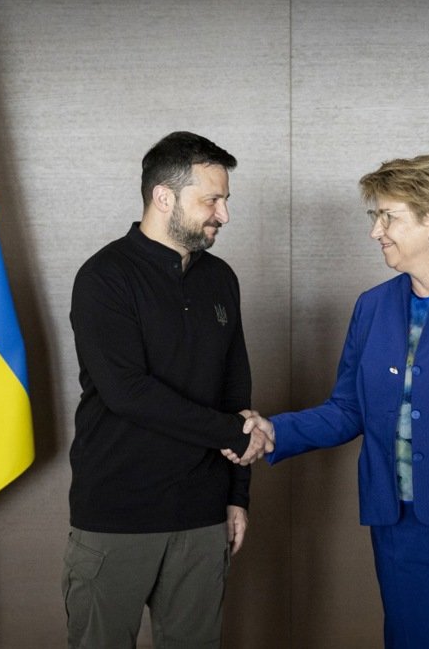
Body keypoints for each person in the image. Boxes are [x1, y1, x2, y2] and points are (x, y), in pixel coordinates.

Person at [231, 154, 429, 648]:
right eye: (374, 217)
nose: (376, 231)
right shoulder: (373, 306)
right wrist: (277, 431)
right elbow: (348, 409)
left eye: (388, 217)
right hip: (399, 524)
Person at [63, 131, 271, 649]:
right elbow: (127, 392)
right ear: (163, 196)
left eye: (224, 200)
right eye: (212, 200)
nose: (223, 214)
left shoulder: (221, 278)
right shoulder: (104, 277)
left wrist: (236, 496)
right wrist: (233, 432)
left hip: (202, 519)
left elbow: (235, 389)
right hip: (116, 517)